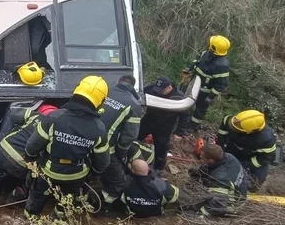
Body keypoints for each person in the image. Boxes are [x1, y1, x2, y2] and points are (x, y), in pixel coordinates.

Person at [23, 76, 111, 217]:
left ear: (76, 91)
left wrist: (30, 158)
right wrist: (94, 173)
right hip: (76, 176)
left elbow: (33, 145)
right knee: (66, 202)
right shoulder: (99, 129)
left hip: (48, 171)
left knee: (38, 196)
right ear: (101, 101)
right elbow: (103, 162)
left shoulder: (53, 117)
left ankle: (30, 221)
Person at [0, 103, 58, 198]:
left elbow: (14, 114)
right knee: (29, 178)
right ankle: (15, 196)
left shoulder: (35, 116)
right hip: (20, 166)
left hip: (1, 150)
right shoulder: (55, 132)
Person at [98, 74, 142, 205]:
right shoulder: (134, 105)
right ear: (132, 86)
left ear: (118, 81)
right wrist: (121, 155)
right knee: (118, 181)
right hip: (106, 146)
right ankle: (106, 205)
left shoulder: (105, 91)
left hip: (88, 136)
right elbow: (128, 136)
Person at [175, 35, 231, 135]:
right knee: (184, 100)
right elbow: (197, 61)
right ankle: (180, 119)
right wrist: (189, 68)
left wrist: (211, 96)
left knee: (200, 109)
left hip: (205, 91)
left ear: (214, 48)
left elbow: (222, 84)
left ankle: (192, 126)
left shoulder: (222, 66)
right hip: (194, 83)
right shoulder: (206, 53)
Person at [216, 110, 277, 189]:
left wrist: (244, 165)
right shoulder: (231, 120)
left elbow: (267, 158)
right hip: (234, 147)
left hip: (253, 156)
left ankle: (248, 191)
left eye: (237, 128)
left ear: (250, 132)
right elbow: (222, 134)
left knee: (256, 182)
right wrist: (219, 149)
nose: (232, 126)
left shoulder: (266, 139)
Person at [188, 143, 248, 217]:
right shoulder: (229, 156)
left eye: (202, 157)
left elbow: (217, 204)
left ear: (211, 160)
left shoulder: (219, 178)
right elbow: (211, 166)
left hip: (233, 204)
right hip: (240, 192)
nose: (200, 157)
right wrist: (198, 172)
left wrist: (199, 212)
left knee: (193, 205)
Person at [139, 76, 185, 171]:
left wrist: (179, 132)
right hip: (149, 119)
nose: (158, 92)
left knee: (161, 149)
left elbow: (185, 116)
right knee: (135, 138)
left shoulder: (179, 98)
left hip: (164, 127)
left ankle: (158, 170)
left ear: (169, 87)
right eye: (157, 89)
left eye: (162, 90)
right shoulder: (151, 89)